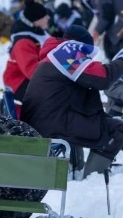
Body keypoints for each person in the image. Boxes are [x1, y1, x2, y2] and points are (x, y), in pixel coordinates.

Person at [22, 26, 123, 178]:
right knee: (117, 129)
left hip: (48, 119)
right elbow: (103, 78)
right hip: (53, 123)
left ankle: (83, 171)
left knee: (104, 121)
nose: (87, 58)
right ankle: (93, 178)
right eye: (86, 53)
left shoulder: (53, 55)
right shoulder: (64, 55)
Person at [1, 0, 52, 117]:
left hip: (35, 78)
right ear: (36, 20)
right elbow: (31, 71)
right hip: (18, 82)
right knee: (52, 95)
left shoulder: (38, 33)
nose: (48, 18)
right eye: (44, 16)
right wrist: (55, 74)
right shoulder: (23, 42)